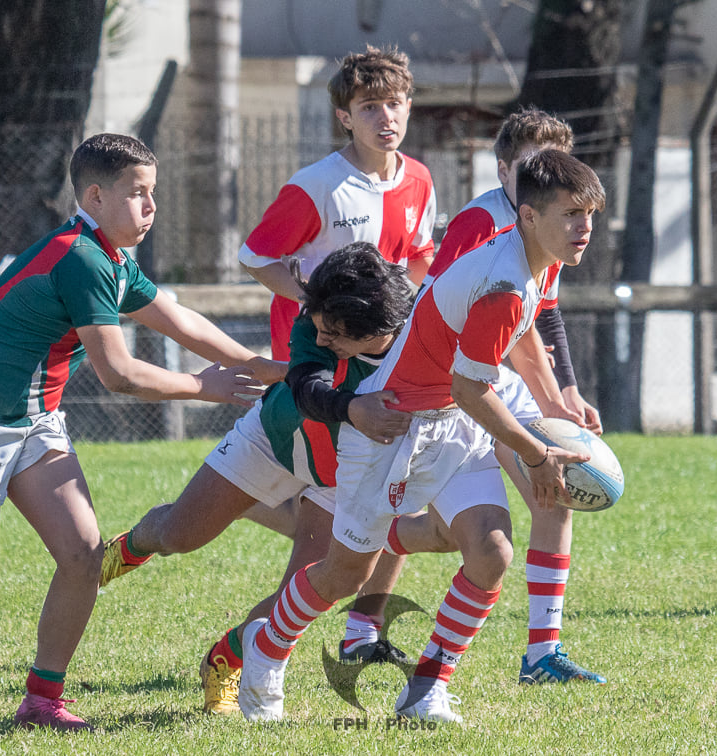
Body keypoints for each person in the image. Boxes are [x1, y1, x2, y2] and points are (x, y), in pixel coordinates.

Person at [0, 133, 285, 732]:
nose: (151, 206)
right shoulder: (81, 258)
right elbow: (119, 374)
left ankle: (41, 701)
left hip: (35, 420)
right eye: (138, 193)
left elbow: (177, 318)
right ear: (95, 196)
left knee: (84, 555)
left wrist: (253, 364)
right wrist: (204, 386)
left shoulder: (109, 257)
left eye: (153, 193)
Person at [237, 150, 606, 724]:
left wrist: (553, 400)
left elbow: (520, 333)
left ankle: (425, 690)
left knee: (491, 552)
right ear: (529, 216)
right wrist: (535, 453)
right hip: (392, 427)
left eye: (590, 214)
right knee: (345, 573)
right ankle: (267, 646)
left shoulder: (543, 258)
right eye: (571, 214)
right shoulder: (502, 283)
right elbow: (469, 387)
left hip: (454, 422)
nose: (585, 227)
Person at [98, 242, 416, 714]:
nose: (320, 335)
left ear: (379, 330)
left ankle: (227, 658)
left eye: (335, 335)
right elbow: (308, 389)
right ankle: (130, 546)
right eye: (319, 325)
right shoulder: (316, 320)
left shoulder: (417, 338)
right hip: (272, 440)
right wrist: (353, 408)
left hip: (343, 474)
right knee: (180, 535)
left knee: (311, 589)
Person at [398, 108, 607, 687]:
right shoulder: (483, 225)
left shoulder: (555, 226)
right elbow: (464, 316)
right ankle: (376, 550)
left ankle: (543, 651)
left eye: (558, 165)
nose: (547, 173)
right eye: (533, 166)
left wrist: (560, 396)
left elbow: (538, 320)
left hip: (490, 378)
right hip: (447, 388)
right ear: (507, 174)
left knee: (555, 491)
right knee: (412, 527)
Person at [238, 45, 436, 362]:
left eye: (394, 104)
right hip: (313, 349)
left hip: (380, 346)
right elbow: (254, 257)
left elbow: (417, 257)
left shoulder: (419, 178)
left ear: (408, 108)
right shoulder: (316, 184)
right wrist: (321, 305)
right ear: (345, 117)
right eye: (370, 107)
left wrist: (456, 300)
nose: (386, 117)